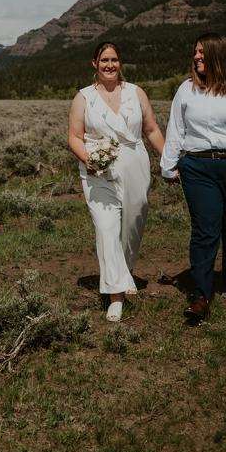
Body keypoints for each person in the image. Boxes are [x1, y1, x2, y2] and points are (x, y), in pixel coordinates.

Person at [160, 32, 226, 321]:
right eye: (195, 53)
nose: (196, 57)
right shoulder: (186, 90)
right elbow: (176, 130)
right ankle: (200, 295)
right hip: (197, 167)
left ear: (218, 54)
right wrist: (168, 165)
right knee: (205, 229)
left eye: (202, 53)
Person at [68, 41, 165, 322]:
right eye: (104, 60)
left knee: (133, 222)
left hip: (135, 165)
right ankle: (115, 296)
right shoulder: (83, 98)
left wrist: (170, 159)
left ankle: (124, 271)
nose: (109, 65)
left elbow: (151, 129)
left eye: (114, 60)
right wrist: (87, 158)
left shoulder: (136, 93)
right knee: (106, 226)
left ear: (120, 63)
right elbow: (74, 135)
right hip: (98, 171)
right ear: (94, 64)